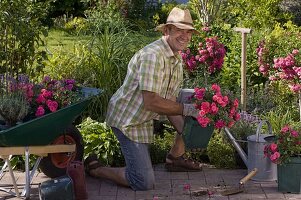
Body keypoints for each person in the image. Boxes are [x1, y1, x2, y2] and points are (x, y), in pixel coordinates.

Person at [84, 7, 202, 191]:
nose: (185, 36)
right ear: (167, 30)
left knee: (192, 117)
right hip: (128, 120)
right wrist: (186, 110)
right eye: (179, 30)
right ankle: (97, 170)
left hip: (144, 118)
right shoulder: (153, 56)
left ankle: (174, 159)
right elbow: (152, 102)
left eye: (188, 32)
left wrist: (187, 129)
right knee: (143, 182)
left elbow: (169, 100)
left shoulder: (176, 59)